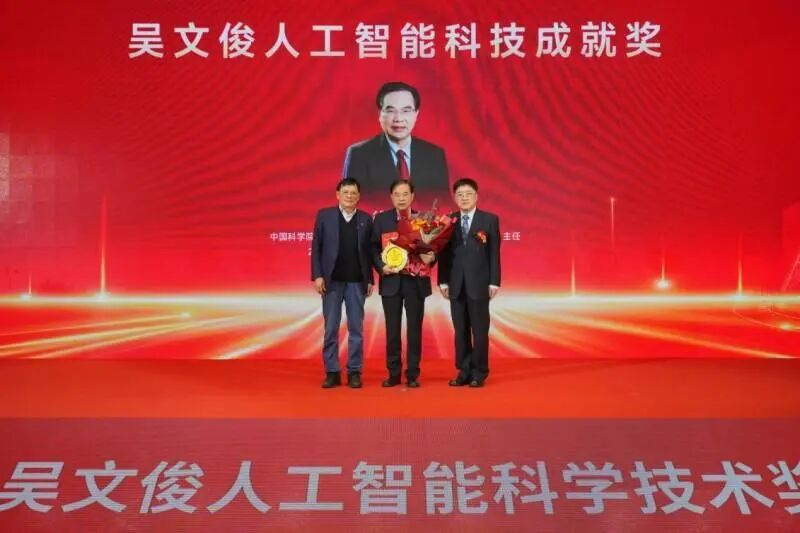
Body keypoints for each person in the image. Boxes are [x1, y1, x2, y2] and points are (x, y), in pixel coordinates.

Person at [371, 180, 436, 388]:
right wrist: (382, 267)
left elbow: (433, 248)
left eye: (405, 194)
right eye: (397, 194)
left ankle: (413, 374)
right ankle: (393, 373)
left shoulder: (422, 220)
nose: (401, 198)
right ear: (391, 197)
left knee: (414, 329)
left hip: (415, 282)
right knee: (392, 330)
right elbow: (372, 248)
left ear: (412, 196)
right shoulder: (381, 220)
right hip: (391, 280)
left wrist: (431, 257)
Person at [311, 178, 374, 388]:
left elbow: (369, 253)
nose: (349, 196)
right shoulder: (324, 216)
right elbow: (317, 247)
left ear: (359, 196)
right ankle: (332, 371)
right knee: (331, 328)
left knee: (356, 329)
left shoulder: (366, 219)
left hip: (357, 281)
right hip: (331, 282)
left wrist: (370, 279)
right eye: (345, 192)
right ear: (338, 195)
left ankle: (354, 371)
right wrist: (317, 275)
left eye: (353, 193)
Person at [438, 178, 501, 388]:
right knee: (461, 331)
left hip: (480, 283)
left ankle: (479, 372)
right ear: (454, 197)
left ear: (476, 196)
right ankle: (464, 371)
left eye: (468, 194)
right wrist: (443, 281)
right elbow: (443, 253)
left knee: (480, 331)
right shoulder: (448, 220)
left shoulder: (489, 220)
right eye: (460, 195)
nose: (464, 198)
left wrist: (494, 281)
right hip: (456, 284)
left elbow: (494, 253)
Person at [342, 81, 449, 203]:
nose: (398, 118)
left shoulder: (434, 155)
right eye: (391, 111)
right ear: (380, 114)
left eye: (406, 111)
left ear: (416, 114)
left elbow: (443, 203)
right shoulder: (359, 154)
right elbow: (349, 203)